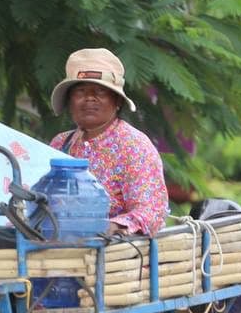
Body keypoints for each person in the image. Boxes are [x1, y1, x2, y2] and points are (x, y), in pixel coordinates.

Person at [48, 48, 169, 235]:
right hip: (57, 247)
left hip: (116, 257)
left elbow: (152, 212)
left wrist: (111, 226)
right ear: (70, 100)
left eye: (100, 92)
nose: (89, 98)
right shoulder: (60, 143)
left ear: (117, 101)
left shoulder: (134, 146)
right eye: (80, 91)